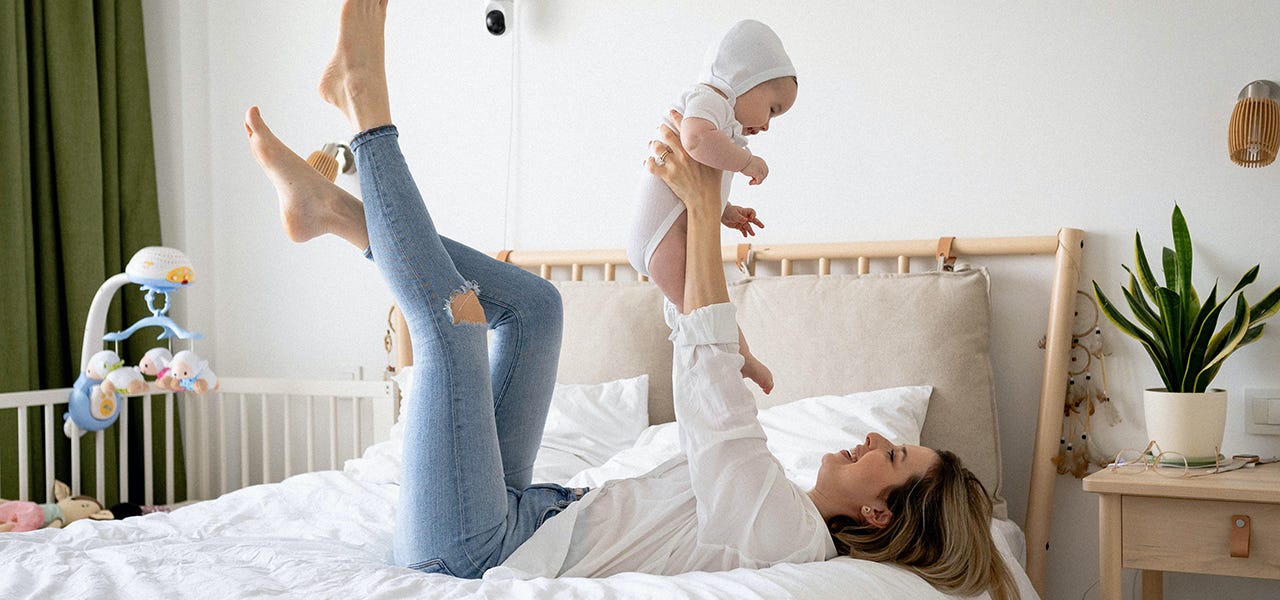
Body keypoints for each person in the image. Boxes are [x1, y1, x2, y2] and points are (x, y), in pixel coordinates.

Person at [245, 2, 1016, 598]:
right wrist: (692, 215)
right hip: (532, 518)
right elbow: (698, 343)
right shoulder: (781, 500)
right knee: (538, 308)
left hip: (473, 554)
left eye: (889, 456)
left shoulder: (787, 538)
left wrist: (704, 212)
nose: (869, 440)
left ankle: (365, 107)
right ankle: (339, 215)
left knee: (454, 329)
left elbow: (712, 397)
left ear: (879, 514)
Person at [626, 19, 800, 395]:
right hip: (659, 241)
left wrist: (727, 210)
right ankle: (741, 356)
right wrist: (746, 162)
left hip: (667, 232)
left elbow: (694, 184)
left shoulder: (719, 117)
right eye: (771, 108)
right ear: (744, 77)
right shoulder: (710, 99)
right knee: (706, 312)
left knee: (705, 307)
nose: (768, 125)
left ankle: (738, 355)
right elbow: (694, 141)